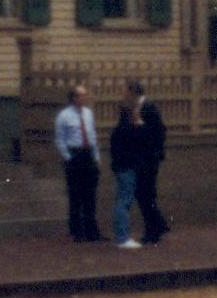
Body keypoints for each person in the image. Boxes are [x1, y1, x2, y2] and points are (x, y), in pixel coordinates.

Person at [54, 84, 103, 242]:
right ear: (74, 98)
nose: (85, 98)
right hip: (74, 154)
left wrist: (96, 156)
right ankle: (77, 231)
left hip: (88, 153)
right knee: (76, 195)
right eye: (81, 95)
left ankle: (92, 231)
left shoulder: (88, 113)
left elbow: (92, 134)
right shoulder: (64, 116)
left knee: (90, 195)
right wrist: (68, 157)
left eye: (85, 95)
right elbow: (60, 139)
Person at [126, 79, 170, 245]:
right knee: (144, 193)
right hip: (140, 158)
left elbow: (157, 132)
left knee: (145, 193)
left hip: (148, 159)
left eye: (128, 92)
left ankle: (153, 229)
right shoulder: (137, 108)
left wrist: (138, 124)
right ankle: (158, 224)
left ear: (134, 92)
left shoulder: (149, 108)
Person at [106, 98, 148, 250]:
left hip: (121, 168)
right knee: (124, 201)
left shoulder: (119, 129)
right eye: (136, 110)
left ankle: (121, 235)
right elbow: (142, 141)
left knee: (122, 199)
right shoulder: (131, 129)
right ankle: (122, 237)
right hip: (128, 168)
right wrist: (140, 125)